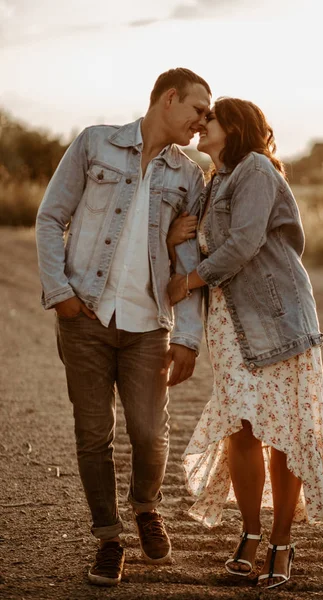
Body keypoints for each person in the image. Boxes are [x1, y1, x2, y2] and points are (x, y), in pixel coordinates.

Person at [167, 97, 323, 589]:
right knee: (242, 428)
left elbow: (246, 241)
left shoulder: (255, 169)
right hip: (230, 324)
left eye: (211, 118)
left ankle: (280, 543)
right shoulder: (215, 181)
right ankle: (249, 536)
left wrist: (190, 279)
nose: (202, 124)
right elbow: (210, 240)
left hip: (277, 319)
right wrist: (177, 237)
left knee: (286, 431)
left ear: (234, 126)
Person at [35, 68, 211, 586]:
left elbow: (185, 263)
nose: (203, 121)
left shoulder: (188, 177)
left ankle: (145, 506)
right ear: (169, 99)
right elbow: (49, 218)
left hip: (147, 324)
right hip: (85, 315)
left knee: (149, 434)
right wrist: (60, 295)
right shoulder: (95, 144)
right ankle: (109, 538)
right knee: (93, 435)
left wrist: (187, 336)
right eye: (199, 109)